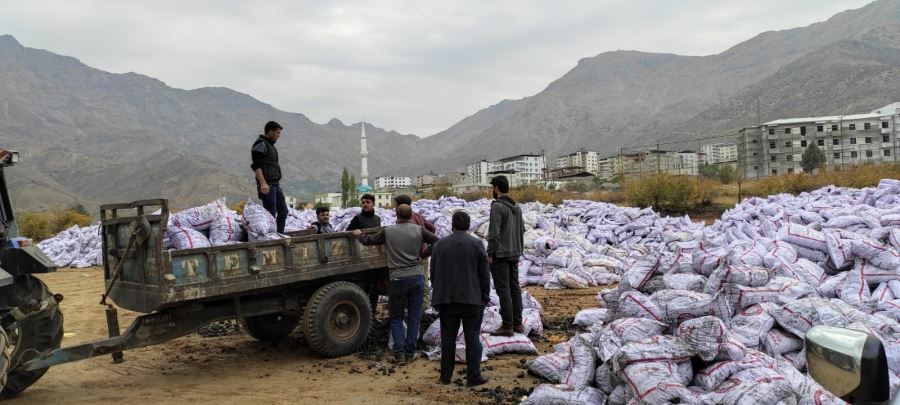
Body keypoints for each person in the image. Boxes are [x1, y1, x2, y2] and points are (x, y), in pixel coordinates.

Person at [353, 204, 438, 364]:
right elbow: (437, 241)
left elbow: (369, 241)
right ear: (411, 214)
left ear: (396, 215)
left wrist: (358, 234)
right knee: (414, 317)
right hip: (416, 277)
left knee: (397, 317)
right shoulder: (419, 230)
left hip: (397, 278)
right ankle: (410, 353)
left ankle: (399, 354)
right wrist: (423, 255)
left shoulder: (388, 231)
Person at [430, 211, 491, 387]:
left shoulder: (440, 245)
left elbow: (433, 274)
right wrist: (485, 295)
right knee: (472, 338)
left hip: (447, 300)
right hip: (472, 300)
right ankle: (473, 376)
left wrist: (439, 293)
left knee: (448, 339)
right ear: (469, 225)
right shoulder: (477, 244)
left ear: (452, 225)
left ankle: (445, 377)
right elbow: (484, 274)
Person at [486, 175, 525, 337]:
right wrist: (519, 249)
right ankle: (518, 323)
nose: (491, 191)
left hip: (501, 254)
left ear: (496, 188)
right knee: (515, 288)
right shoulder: (517, 207)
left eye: (492, 188)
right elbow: (522, 230)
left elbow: (494, 233)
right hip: (515, 252)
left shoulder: (497, 206)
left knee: (503, 290)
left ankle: (507, 325)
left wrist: (490, 253)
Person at [393, 194, 436, 312]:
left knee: (411, 282)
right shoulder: (419, 216)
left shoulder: (407, 220)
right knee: (424, 280)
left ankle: (415, 308)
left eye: (395, 204)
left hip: (412, 256)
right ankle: (425, 306)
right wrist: (425, 242)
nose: (394, 207)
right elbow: (432, 228)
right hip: (423, 254)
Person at [250, 121, 288, 233]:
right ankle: (270, 238)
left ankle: (279, 235)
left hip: (275, 185)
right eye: (277, 133)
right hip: (267, 185)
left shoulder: (270, 145)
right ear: (270, 132)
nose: (278, 135)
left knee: (283, 211)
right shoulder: (260, 144)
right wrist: (263, 183)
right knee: (270, 214)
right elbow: (256, 165)